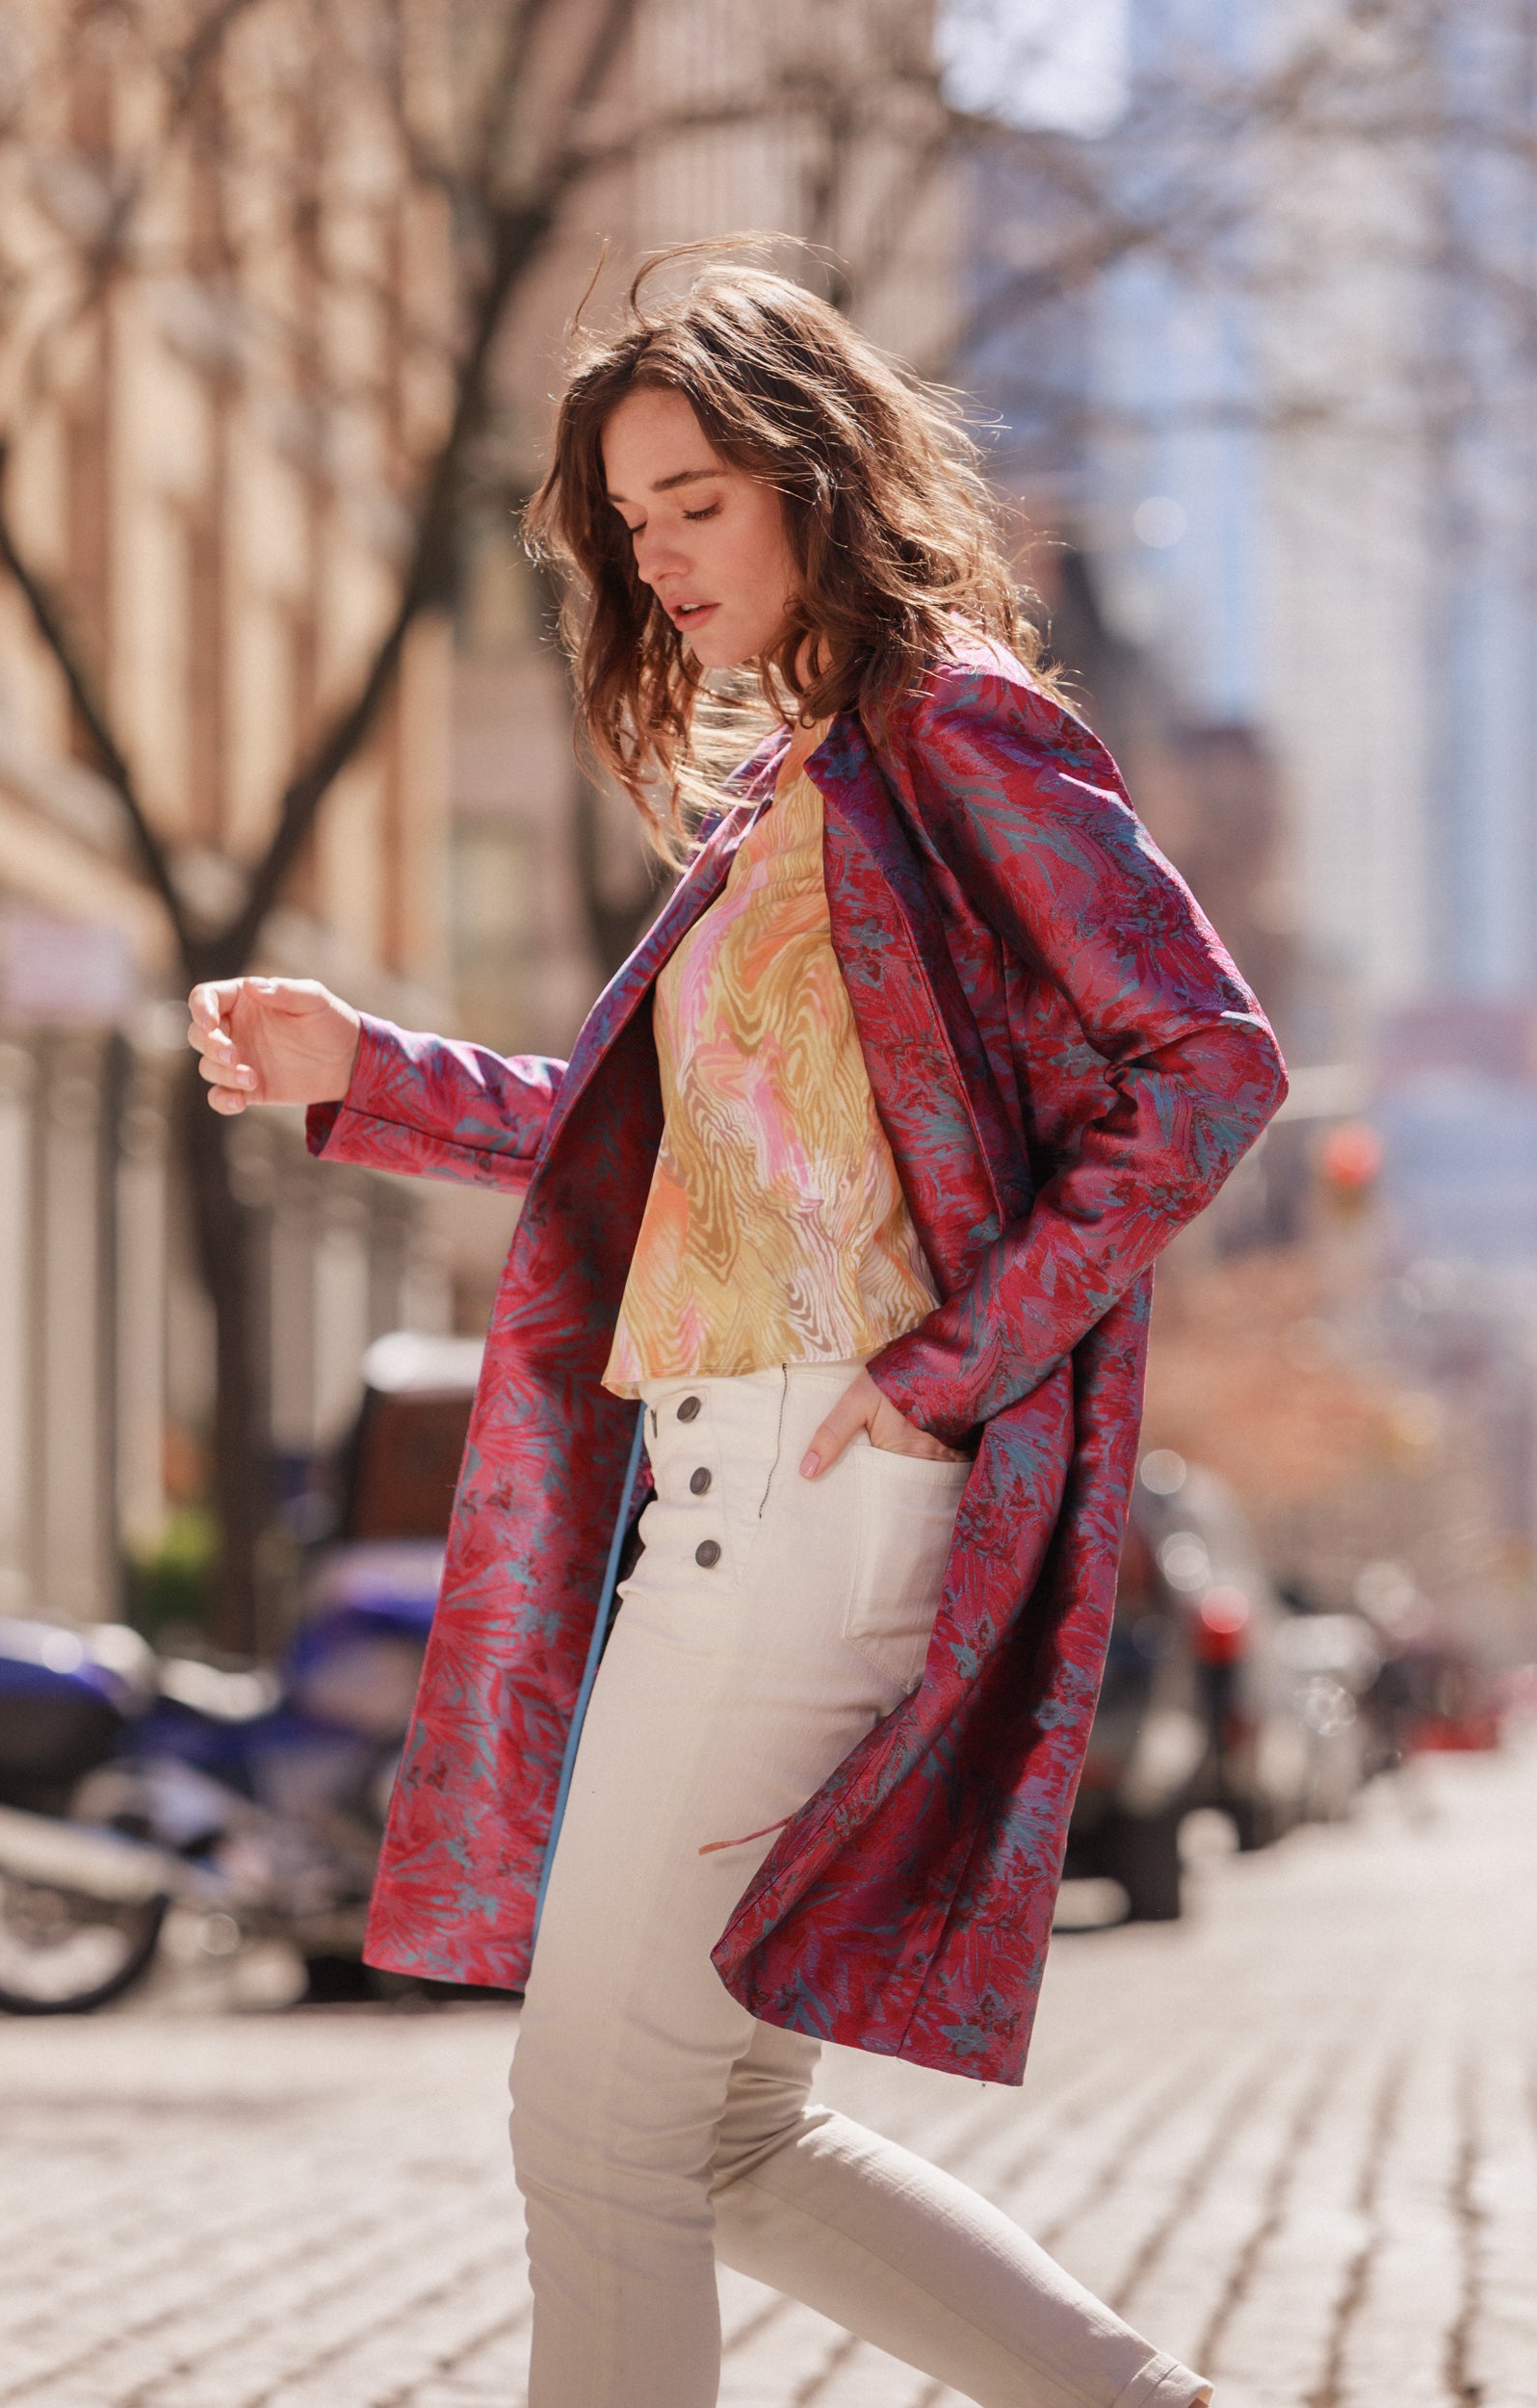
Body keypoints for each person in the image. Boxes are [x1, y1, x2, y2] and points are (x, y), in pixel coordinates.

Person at [189, 256, 1287, 2408]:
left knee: (597, 2124)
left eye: (696, 496)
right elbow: (656, 1149)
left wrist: (941, 1375)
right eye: (630, 517)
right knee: (721, 2134)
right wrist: (363, 1068)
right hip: (744, 1487)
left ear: (813, 467)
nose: (659, 552)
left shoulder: (949, 729)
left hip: (814, 1497)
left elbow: (1206, 1065)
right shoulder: (793, 786)